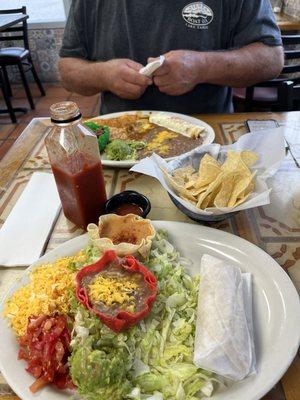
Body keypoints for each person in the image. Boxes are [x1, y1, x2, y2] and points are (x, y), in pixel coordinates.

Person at [59, 0, 284, 115]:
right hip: (120, 139)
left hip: (207, 137)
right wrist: (103, 75)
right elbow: (68, 70)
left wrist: (201, 67)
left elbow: (271, 58)